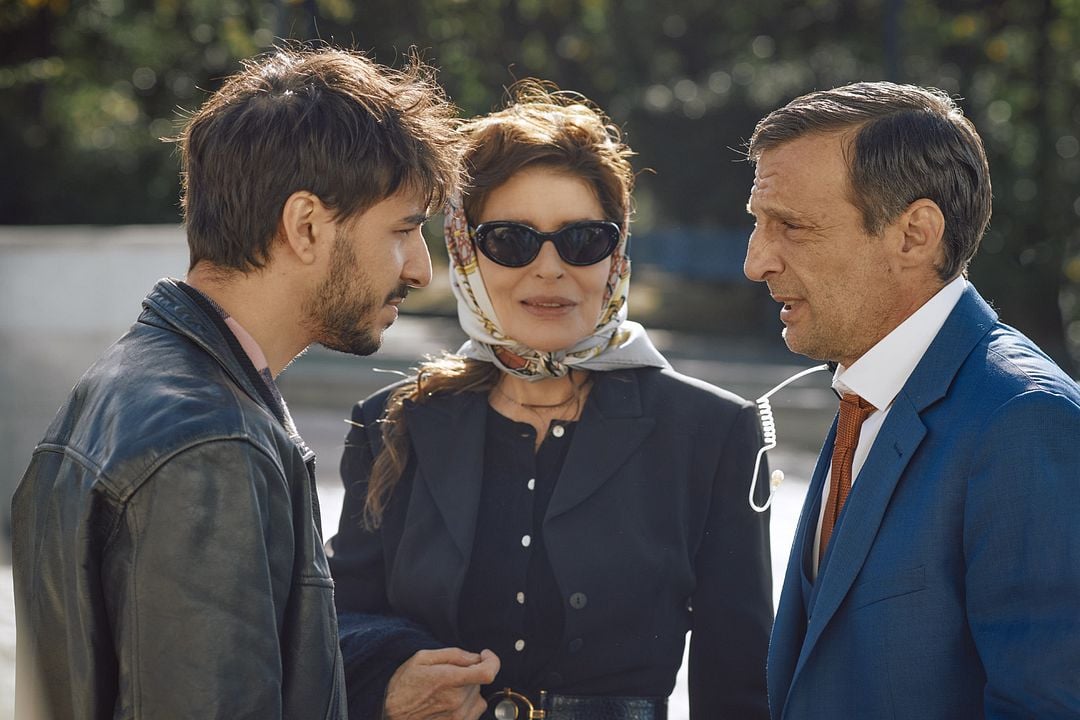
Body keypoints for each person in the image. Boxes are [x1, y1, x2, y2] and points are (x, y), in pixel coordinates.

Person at [11, 46, 460, 719]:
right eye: (403, 230)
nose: (420, 269)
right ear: (305, 226)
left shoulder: (118, 385)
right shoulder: (213, 445)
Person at [326, 81, 774, 720]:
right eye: (509, 240)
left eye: (582, 239)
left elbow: (739, 680)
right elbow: (339, 624)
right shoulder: (392, 421)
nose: (549, 268)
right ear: (464, 250)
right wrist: (396, 670)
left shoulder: (712, 430)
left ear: (615, 253)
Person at [744, 81, 1080, 719]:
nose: (756, 261)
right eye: (758, 224)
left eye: (791, 225)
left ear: (915, 234)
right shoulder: (865, 392)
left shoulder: (1025, 420)